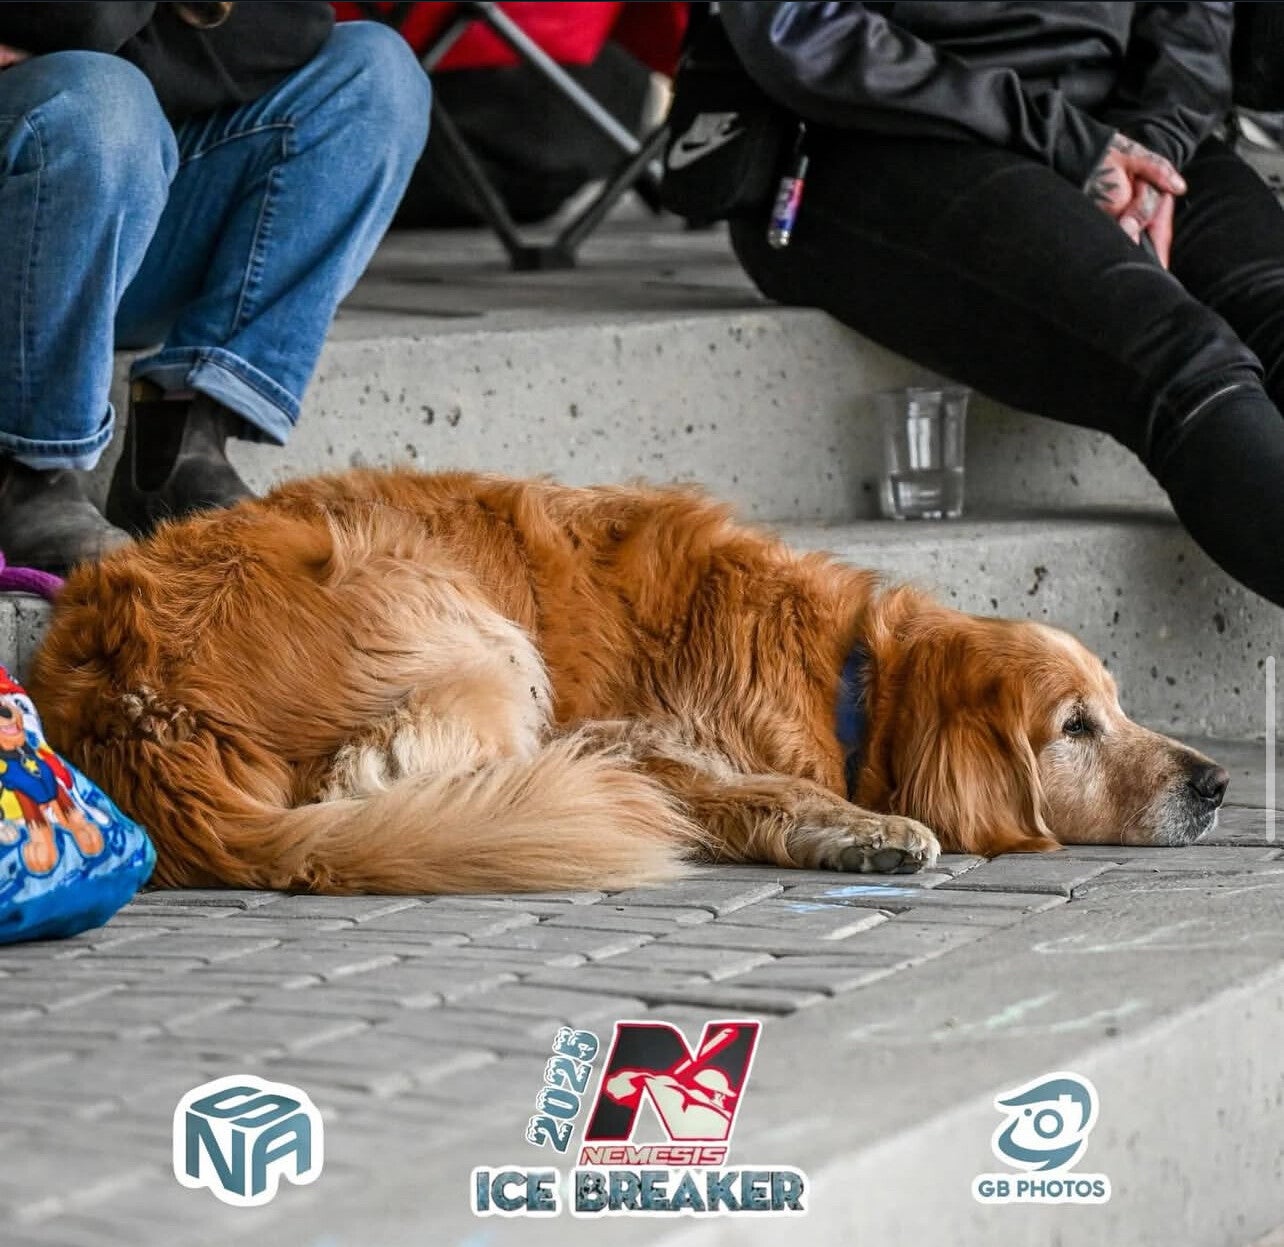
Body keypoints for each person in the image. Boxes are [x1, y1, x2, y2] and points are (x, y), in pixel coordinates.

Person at [717, 2, 1284, 609]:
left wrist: (1151, 141)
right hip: (886, 123)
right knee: (1183, 360)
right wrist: (1063, 140)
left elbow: (1193, 21)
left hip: (1118, 121)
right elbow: (796, 29)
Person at [0, 3, 430, 572]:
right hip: (34, 198)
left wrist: (92, 48)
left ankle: (177, 449)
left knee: (374, 72)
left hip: (113, 211)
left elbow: (292, 21)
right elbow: (86, 18)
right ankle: (28, 472)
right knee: (101, 99)